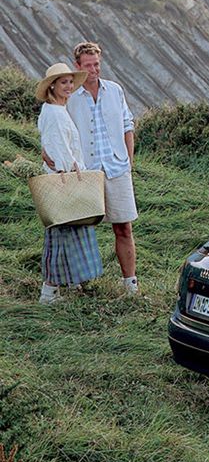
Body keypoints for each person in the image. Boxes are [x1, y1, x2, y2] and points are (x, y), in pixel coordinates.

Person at [66, 41, 140, 294]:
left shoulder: (115, 90)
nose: (94, 69)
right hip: (85, 172)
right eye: (88, 65)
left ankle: (130, 284)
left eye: (96, 64)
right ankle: (79, 283)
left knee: (124, 227)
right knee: (81, 229)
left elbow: (127, 124)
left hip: (116, 168)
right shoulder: (71, 96)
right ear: (77, 66)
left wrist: (128, 160)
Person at [36, 63, 104, 303]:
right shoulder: (54, 113)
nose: (68, 86)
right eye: (63, 82)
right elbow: (57, 149)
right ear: (52, 85)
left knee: (67, 233)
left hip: (64, 178)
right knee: (61, 235)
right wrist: (69, 168)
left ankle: (66, 286)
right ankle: (49, 291)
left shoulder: (56, 109)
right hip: (62, 181)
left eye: (70, 82)